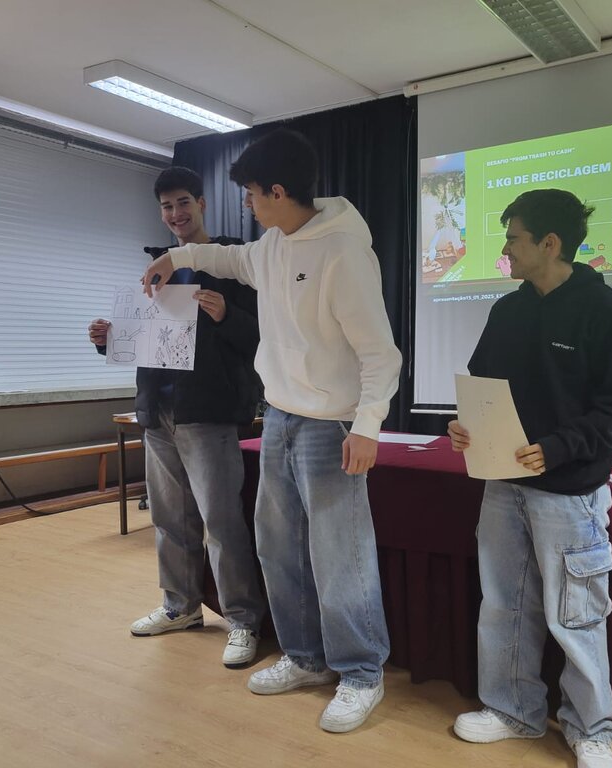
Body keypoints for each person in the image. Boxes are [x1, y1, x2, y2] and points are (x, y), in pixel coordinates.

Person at [143, 129, 401, 734]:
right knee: (277, 546)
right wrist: (175, 258)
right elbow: (228, 260)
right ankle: (306, 657)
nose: (249, 206)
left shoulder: (342, 252)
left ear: (278, 192)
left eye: (253, 195)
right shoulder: (271, 246)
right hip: (280, 417)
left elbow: (380, 354)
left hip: (331, 423)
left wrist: (368, 426)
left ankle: (361, 672)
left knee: (339, 553)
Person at [447, 189, 612, 768]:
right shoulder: (507, 311)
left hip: (570, 491)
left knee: (576, 612)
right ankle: (513, 711)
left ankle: (592, 729)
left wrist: (557, 449)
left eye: (513, 238)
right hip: (503, 483)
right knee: (504, 602)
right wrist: (465, 425)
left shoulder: (603, 309)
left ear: (550, 243)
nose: (505, 249)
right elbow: (482, 383)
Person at [88, 167, 266, 669]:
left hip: (209, 412)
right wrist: (109, 339)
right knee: (169, 520)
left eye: (184, 202)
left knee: (221, 522)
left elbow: (261, 338)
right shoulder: (154, 268)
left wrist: (225, 315)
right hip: (158, 411)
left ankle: (243, 619)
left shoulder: (233, 262)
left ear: (202, 203)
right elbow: (149, 340)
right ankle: (180, 606)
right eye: (167, 206)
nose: (176, 214)